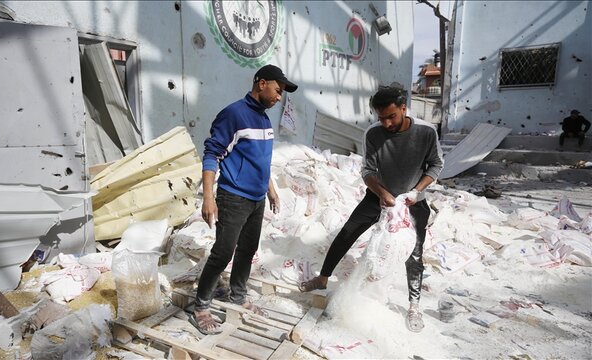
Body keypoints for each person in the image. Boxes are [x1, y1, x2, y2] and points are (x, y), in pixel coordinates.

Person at [299, 86, 444, 333]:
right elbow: (367, 171)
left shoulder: (426, 132)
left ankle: (413, 306)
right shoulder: (373, 134)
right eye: (381, 118)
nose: (387, 123)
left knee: (415, 253)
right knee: (347, 233)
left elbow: (436, 165)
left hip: (413, 201)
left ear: (403, 108)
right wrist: (383, 193)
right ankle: (322, 278)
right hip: (378, 196)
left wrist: (416, 191)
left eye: (392, 116)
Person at [189, 64, 298, 335]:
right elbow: (212, 154)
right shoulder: (234, 114)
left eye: (281, 92)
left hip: (257, 199)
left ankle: (237, 296)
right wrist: (208, 198)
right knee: (223, 252)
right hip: (234, 197)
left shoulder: (264, 119)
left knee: (247, 250)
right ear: (261, 83)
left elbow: (259, 160)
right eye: (277, 89)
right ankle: (201, 306)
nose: (278, 96)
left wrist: (270, 189)